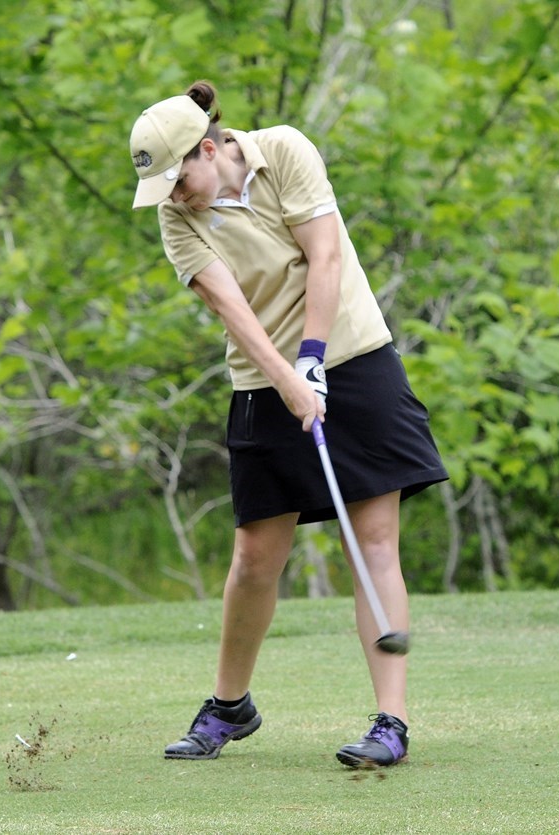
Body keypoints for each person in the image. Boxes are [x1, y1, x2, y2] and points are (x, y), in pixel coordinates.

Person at [128, 80, 447, 768]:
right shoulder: (177, 219)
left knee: (374, 541)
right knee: (254, 558)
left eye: (179, 180)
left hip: (355, 358)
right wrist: (290, 380)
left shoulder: (285, 150)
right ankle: (230, 706)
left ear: (208, 149)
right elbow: (233, 311)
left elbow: (325, 256)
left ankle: (391, 723)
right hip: (262, 379)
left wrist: (314, 358)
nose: (174, 197)